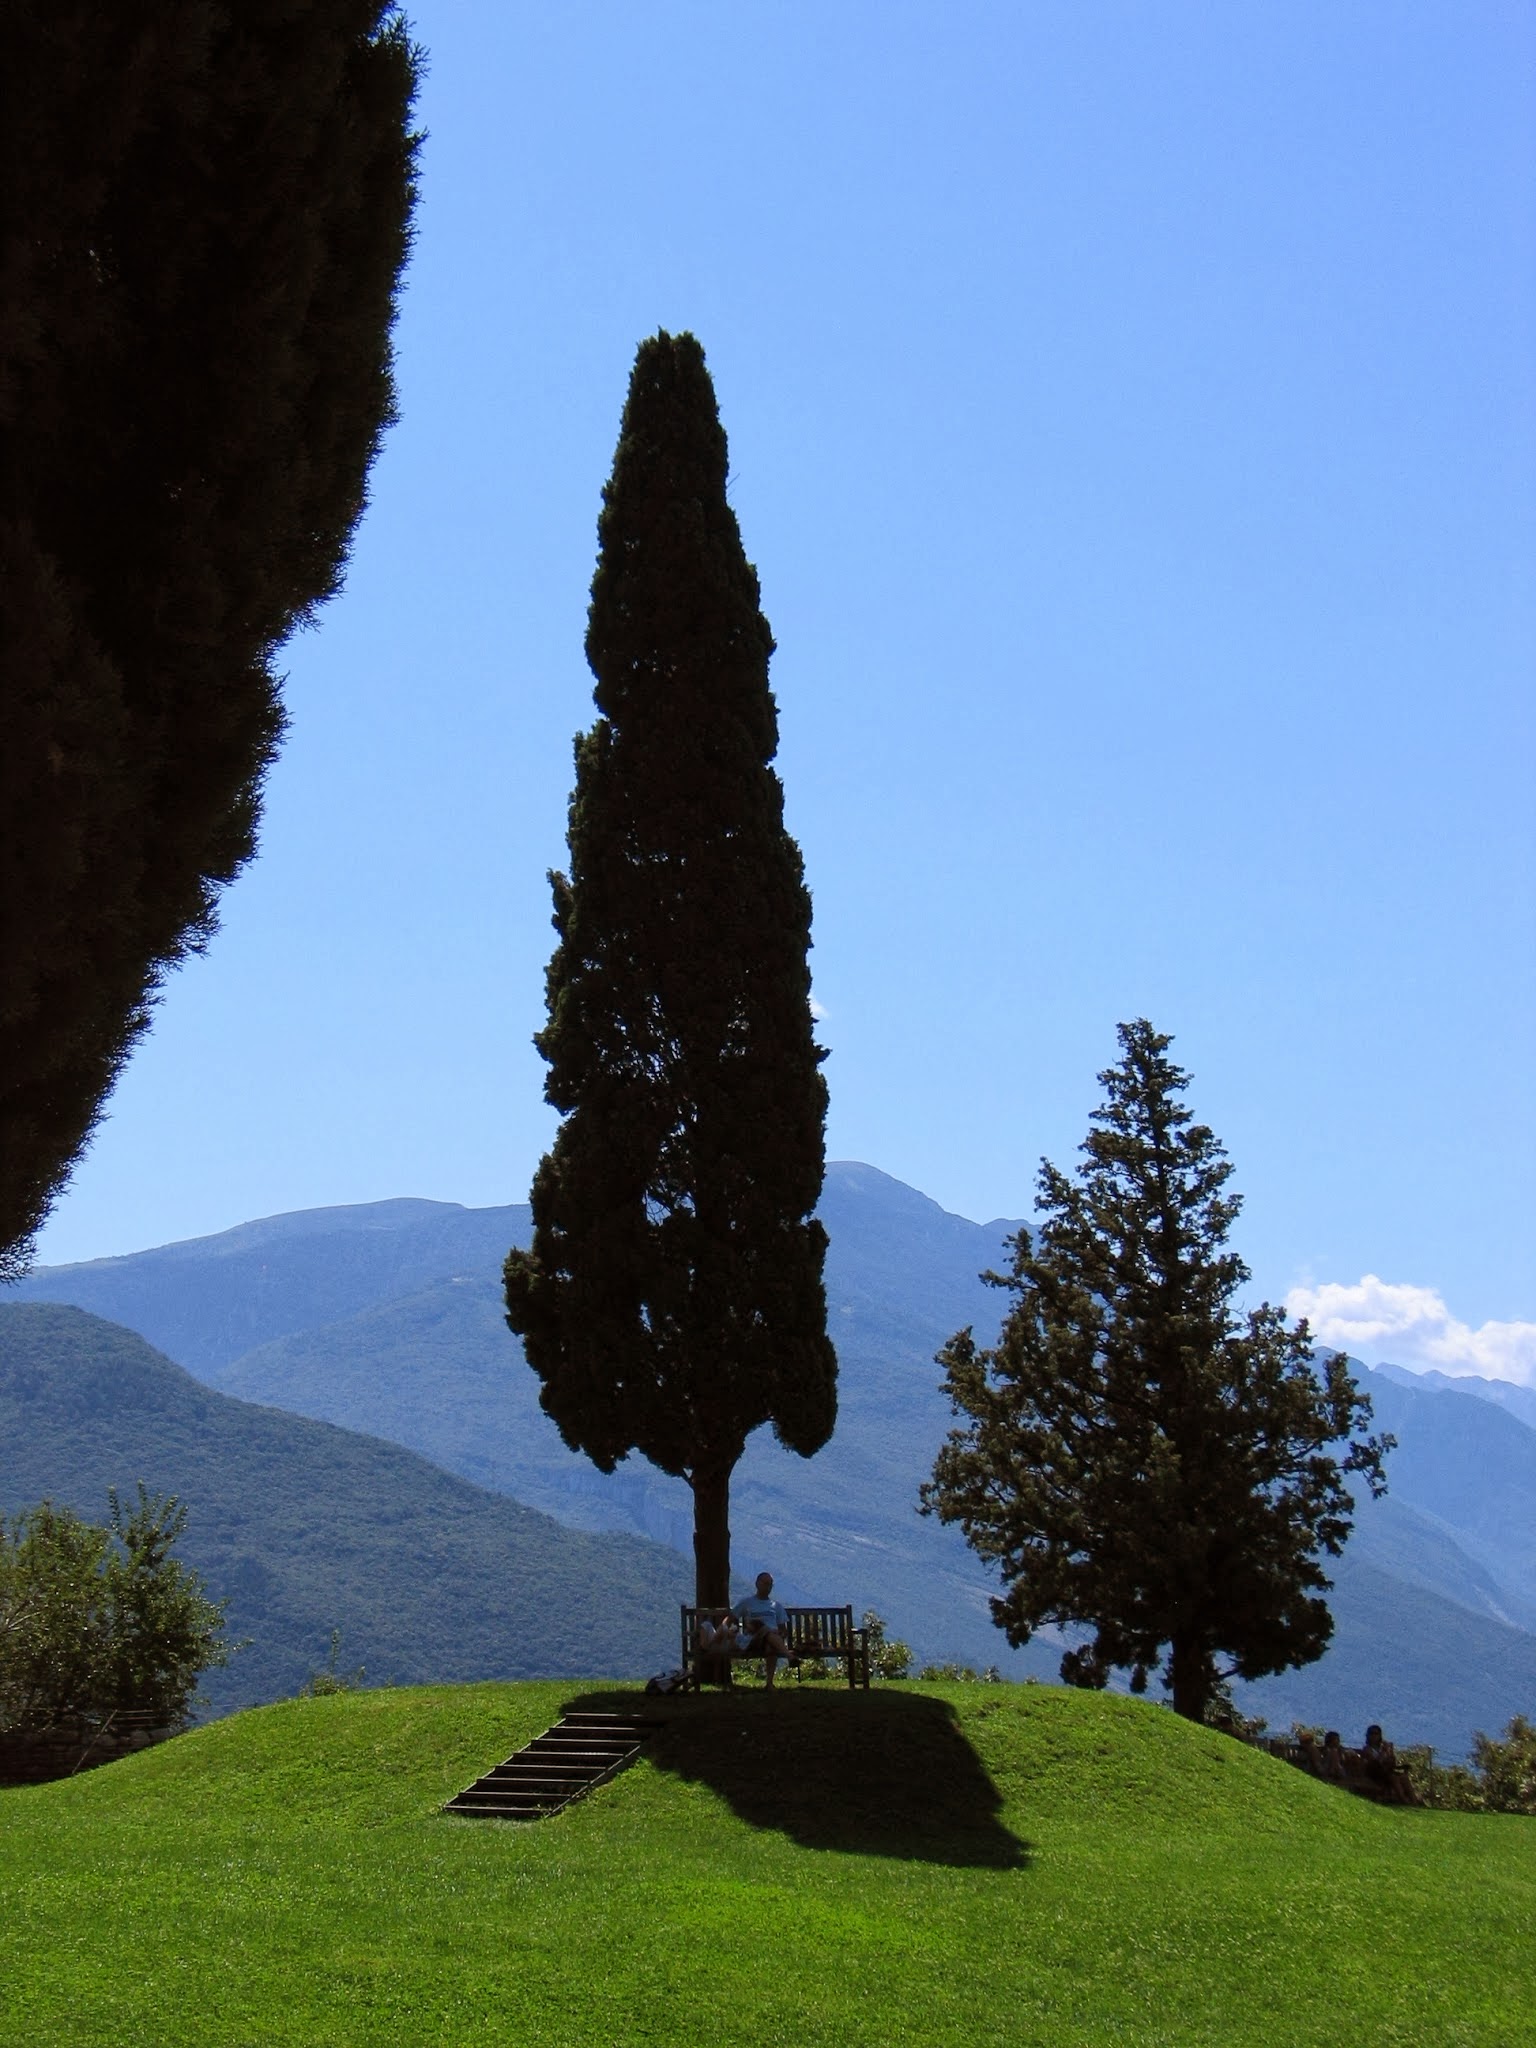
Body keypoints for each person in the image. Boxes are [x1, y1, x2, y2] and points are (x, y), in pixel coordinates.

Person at [734, 1572, 799, 1689]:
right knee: (766, 1630)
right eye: (765, 1583)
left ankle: (769, 1683)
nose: (768, 1587)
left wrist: (780, 1634)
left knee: (770, 1644)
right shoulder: (747, 1602)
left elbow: (783, 1630)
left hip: (770, 1640)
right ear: (757, 1584)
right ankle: (789, 1656)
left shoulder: (776, 1606)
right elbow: (731, 1618)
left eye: (770, 1584)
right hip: (753, 1640)